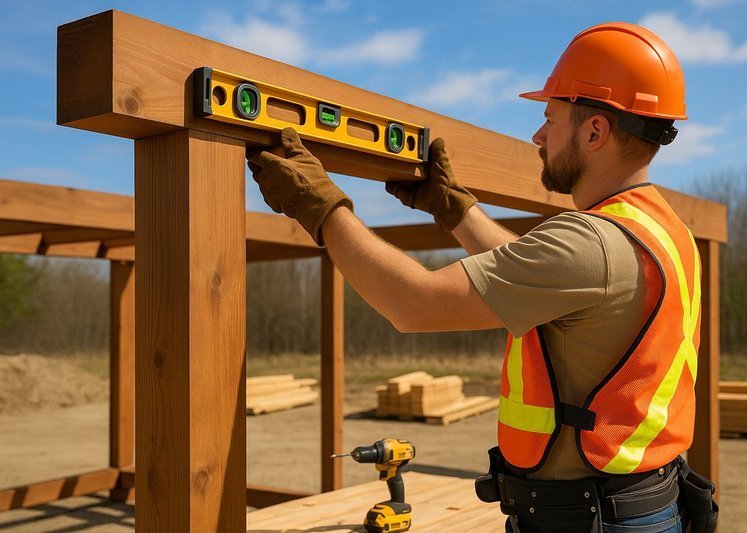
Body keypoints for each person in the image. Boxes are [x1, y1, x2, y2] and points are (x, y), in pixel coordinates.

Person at [246, 21, 717, 533]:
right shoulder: (660, 230)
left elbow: (414, 303)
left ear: (595, 130)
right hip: (641, 503)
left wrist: (320, 205)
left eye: (550, 118)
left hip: (589, 518)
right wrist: (455, 210)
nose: (538, 135)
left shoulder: (591, 242)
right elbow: (539, 279)